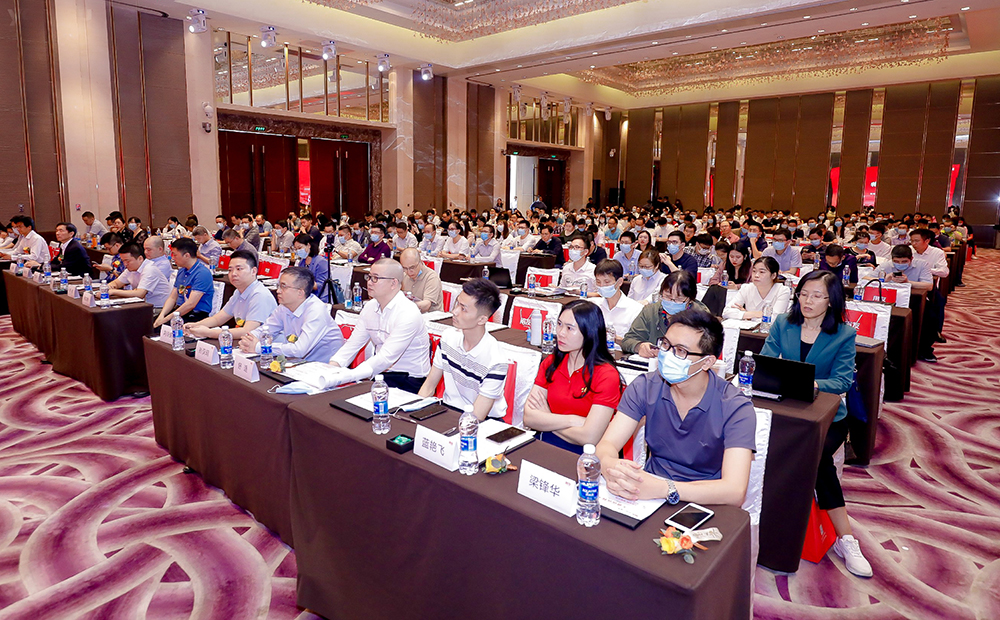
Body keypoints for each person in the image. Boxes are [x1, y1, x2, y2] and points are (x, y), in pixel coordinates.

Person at [761, 270, 872, 578]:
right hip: (784, 411)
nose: (808, 301)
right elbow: (766, 362)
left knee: (818, 458)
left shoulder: (843, 334)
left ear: (831, 300)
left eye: (817, 296)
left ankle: (846, 539)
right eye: (804, 294)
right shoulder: (783, 323)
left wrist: (811, 384)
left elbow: (841, 381)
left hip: (828, 416)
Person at [596, 308, 755, 508]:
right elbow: (606, 445)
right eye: (665, 345)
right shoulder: (645, 386)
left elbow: (734, 491)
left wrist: (665, 488)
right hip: (648, 494)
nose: (667, 355)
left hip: (705, 501)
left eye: (680, 351)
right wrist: (611, 466)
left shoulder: (736, 407)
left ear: (707, 362)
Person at [524, 300, 623, 454]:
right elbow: (529, 418)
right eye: (559, 324)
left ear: (589, 332)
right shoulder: (551, 362)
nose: (561, 333)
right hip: (545, 443)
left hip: (585, 455)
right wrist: (572, 420)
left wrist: (547, 418)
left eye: (570, 328)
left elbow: (589, 437)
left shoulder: (606, 375)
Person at [325, 258, 431, 391]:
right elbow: (352, 345)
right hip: (381, 374)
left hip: (410, 380)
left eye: (375, 278)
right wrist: (332, 366)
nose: (369, 282)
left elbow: (386, 357)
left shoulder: (408, 312)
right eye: (369, 277)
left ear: (393, 283)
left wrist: (350, 375)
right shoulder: (370, 307)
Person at [416, 278, 508, 421]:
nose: (454, 311)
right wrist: (415, 414)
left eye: (463, 309)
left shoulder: (496, 361)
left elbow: (477, 417)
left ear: (482, 319)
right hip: (448, 410)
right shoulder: (448, 337)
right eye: (457, 303)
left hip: (482, 421)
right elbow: (428, 387)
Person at [239, 266, 344, 363]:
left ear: (300, 293)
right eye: (278, 286)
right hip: (299, 364)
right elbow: (266, 329)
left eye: (283, 287)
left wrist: (260, 347)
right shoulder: (284, 307)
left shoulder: (316, 311)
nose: (278, 291)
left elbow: (299, 350)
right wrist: (248, 340)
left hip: (324, 367)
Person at [185, 250, 277, 340]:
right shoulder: (238, 292)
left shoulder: (260, 295)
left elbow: (247, 331)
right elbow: (218, 319)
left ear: (253, 271)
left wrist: (208, 332)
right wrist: (196, 325)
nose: (233, 274)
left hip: (266, 345)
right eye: (230, 270)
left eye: (239, 269)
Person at [622, 270, 710, 357]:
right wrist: (639, 346)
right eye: (668, 296)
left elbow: (708, 351)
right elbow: (628, 340)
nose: (672, 302)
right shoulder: (651, 311)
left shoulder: (702, 318)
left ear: (690, 299)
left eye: (679, 299)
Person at [154, 237, 214, 327]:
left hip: (195, 315)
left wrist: (166, 319)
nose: (172, 258)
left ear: (186, 255)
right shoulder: (182, 271)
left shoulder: (202, 273)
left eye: (175, 255)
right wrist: (162, 315)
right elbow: (173, 297)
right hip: (179, 311)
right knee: (149, 322)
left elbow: (191, 304)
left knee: (161, 327)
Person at [722, 257, 792, 320]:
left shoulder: (782, 291)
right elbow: (726, 312)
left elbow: (775, 318)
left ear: (773, 275)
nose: (756, 275)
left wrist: (746, 314)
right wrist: (756, 314)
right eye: (754, 271)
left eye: (762, 272)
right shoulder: (746, 288)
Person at [107, 242, 172, 309]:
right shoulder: (130, 269)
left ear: (140, 259)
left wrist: (113, 291)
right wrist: (107, 288)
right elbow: (116, 283)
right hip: (142, 305)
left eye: (127, 261)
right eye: (123, 261)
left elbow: (140, 294)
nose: (125, 264)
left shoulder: (150, 269)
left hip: (158, 308)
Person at [593, 259, 642, 341]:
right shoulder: (594, 305)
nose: (602, 286)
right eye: (598, 282)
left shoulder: (635, 310)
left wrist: (616, 339)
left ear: (619, 282)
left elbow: (637, 343)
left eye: (607, 282)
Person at [399, 248, 443, 313]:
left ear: (420, 262)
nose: (409, 272)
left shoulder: (432, 277)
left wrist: (407, 306)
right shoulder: (404, 275)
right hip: (410, 314)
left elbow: (426, 305)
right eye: (405, 268)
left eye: (412, 267)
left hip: (430, 316)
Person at [292, 234, 330, 303]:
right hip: (306, 295)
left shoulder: (321, 262)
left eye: (300, 248)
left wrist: (302, 283)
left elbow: (321, 285)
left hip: (320, 297)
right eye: (296, 249)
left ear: (309, 245)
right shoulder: (302, 261)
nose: (298, 251)